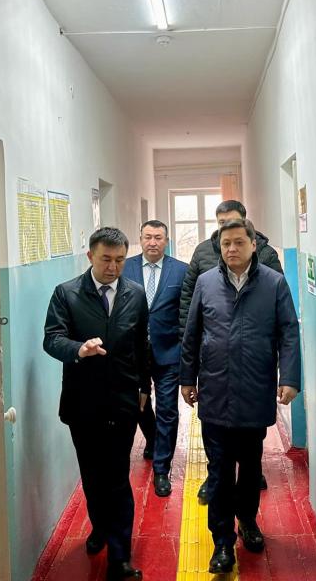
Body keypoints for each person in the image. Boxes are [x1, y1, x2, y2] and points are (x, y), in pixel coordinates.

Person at [180, 219, 301, 573]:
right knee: (218, 471)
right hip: (215, 392)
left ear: (252, 245)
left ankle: (247, 521)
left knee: (250, 468)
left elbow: (288, 333)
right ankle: (222, 543)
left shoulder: (273, 283)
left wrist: (289, 377)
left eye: (238, 242)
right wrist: (187, 378)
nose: (231, 249)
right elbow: (192, 334)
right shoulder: (206, 283)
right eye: (225, 244)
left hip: (254, 390)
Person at [43, 227, 149, 581]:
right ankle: (100, 525)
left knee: (117, 477)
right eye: (106, 259)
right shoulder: (67, 293)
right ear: (90, 256)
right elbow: (51, 339)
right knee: (92, 476)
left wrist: (145, 386)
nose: (113, 267)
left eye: (120, 260)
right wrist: (79, 349)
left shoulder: (135, 294)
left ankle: (120, 557)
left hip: (123, 400)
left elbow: (141, 344)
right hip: (83, 402)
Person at [178, 199, 283, 503]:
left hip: (253, 369)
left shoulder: (267, 259)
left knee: (250, 447)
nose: (231, 244)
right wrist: (190, 363)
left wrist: (284, 372)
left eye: (234, 227)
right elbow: (189, 303)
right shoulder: (203, 255)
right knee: (217, 444)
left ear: (249, 232)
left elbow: (282, 319)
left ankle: (248, 498)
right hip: (215, 366)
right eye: (222, 226)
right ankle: (216, 483)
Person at [123, 220, 189, 497]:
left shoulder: (181, 270)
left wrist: (185, 348)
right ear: (140, 239)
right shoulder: (125, 268)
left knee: (167, 410)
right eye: (148, 237)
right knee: (138, 405)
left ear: (166, 241)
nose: (153, 242)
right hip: (132, 353)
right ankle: (152, 439)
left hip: (168, 352)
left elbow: (187, 312)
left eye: (158, 237)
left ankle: (162, 469)